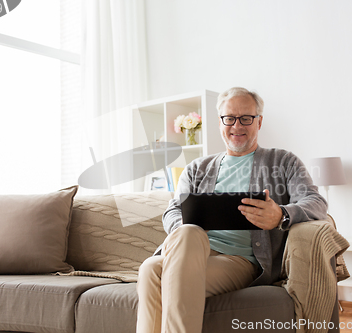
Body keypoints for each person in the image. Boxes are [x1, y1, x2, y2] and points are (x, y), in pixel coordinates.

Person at [136, 87, 328, 333]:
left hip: (239, 261)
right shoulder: (197, 168)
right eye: (230, 118)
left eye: (246, 118)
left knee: (154, 270)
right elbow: (172, 212)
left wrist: (281, 215)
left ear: (259, 121)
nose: (237, 125)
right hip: (190, 250)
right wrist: (190, 228)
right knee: (155, 263)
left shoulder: (283, 161)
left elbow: (316, 202)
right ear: (220, 122)